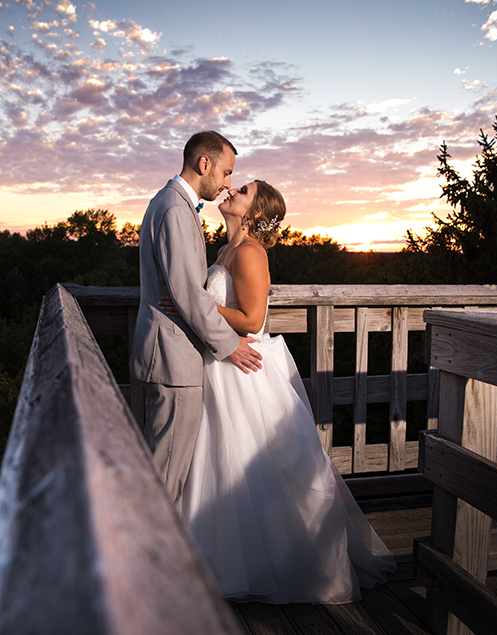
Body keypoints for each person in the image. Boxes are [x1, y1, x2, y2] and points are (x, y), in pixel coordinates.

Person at [164, 180, 396, 604]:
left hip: (243, 368)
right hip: (221, 365)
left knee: (251, 467)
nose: (231, 191)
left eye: (243, 190)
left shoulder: (250, 253)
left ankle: (280, 564)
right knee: (221, 465)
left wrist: (192, 305)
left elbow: (252, 320)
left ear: (254, 213)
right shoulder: (225, 250)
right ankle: (225, 559)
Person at [131, 131, 263, 511]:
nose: (227, 183)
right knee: (165, 481)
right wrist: (231, 345)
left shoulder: (168, 202)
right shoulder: (175, 209)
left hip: (163, 355)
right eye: (226, 172)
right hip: (173, 361)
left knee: (159, 472)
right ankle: (154, 549)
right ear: (205, 164)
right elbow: (188, 293)